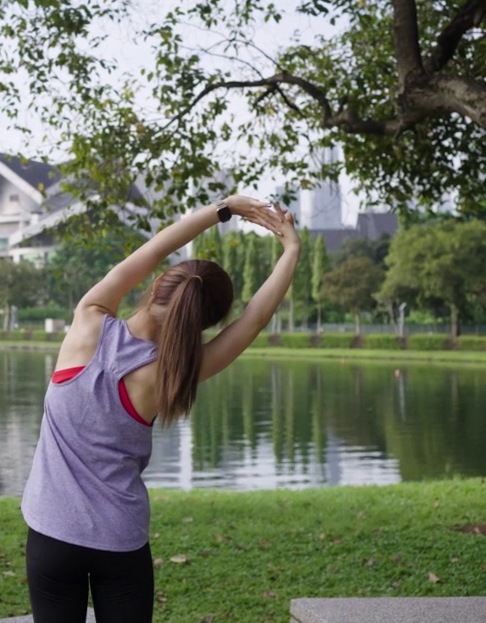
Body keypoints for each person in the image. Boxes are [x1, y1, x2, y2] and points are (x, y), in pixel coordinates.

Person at [21, 195, 300, 622]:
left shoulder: (88, 320)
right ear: (201, 325)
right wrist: (292, 249)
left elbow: (153, 249)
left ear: (155, 285)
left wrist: (224, 208)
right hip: (121, 541)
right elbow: (254, 320)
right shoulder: (174, 374)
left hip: (52, 535)